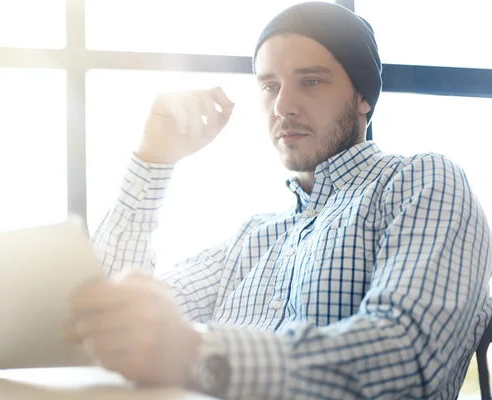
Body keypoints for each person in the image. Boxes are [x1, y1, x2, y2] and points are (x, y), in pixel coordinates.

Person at [64, 2, 492, 399]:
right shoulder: (253, 237)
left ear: (364, 96)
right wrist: (153, 161)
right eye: (269, 86)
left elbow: (406, 355)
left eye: (310, 81)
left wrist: (198, 352)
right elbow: (100, 323)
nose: (283, 105)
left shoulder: (421, 182)